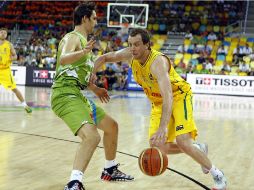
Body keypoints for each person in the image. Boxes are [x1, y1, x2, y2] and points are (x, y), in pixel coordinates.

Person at [94, 28, 227, 190]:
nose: (132, 48)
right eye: (130, 44)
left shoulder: (158, 62)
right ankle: (197, 149)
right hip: (158, 103)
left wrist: (163, 127)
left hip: (178, 97)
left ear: (147, 45)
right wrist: (92, 73)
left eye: (136, 44)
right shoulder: (130, 55)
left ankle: (218, 176)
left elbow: (169, 96)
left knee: (182, 141)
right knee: (157, 145)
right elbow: (104, 57)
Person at [50, 3, 134, 190]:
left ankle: (110, 170)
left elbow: (78, 73)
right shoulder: (73, 37)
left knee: (111, 127)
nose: (96, 21)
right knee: (92, 137)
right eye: (94, 18)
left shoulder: (83, 42)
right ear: (85, 18)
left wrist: (95, 88)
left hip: (77, 95)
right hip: (64, 95)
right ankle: (74, 183)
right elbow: (64, 59)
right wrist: (83, 52)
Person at [0, 27, 32, 113]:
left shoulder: (9, 44)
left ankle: (25, 105)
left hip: (5, 70)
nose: (3, 34)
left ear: (6, 35)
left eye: (4, 33)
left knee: (14, 89)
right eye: (1, 32)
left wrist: (10, 59)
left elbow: (15, 56)